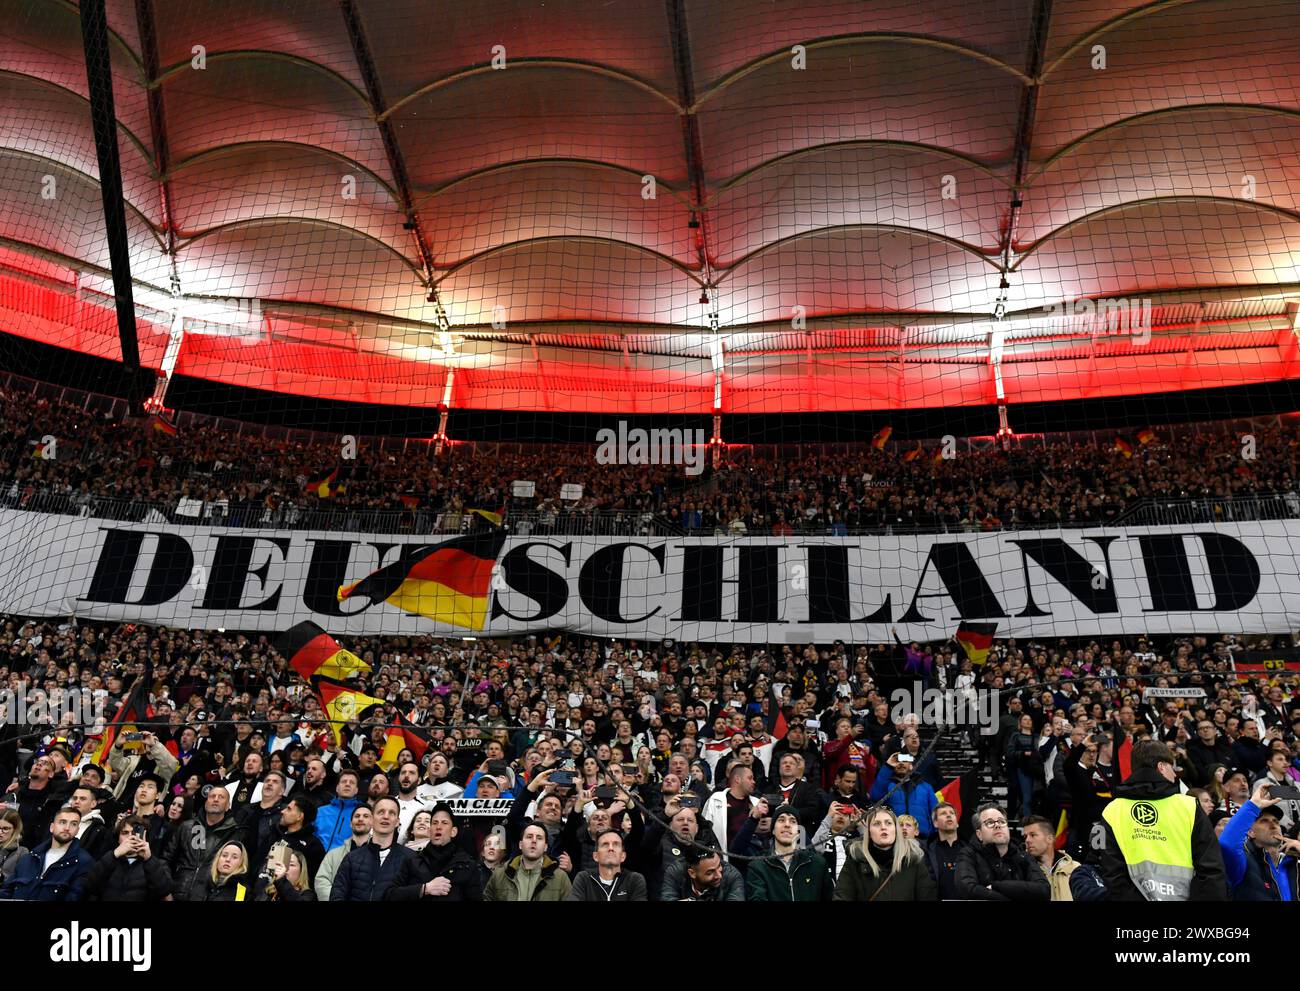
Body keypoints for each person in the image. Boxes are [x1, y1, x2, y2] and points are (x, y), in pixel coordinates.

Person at [1100, 740, 1227, 901]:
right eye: (1172, 767)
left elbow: (1109, 871)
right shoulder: (1189, 807)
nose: (1175, 774)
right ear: (1161, 767)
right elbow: (1211, 867)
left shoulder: (1112, 810)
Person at [833, 805, 937, 901]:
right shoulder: (855, 862)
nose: (883, 827)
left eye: (889, 823)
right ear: (868, 832)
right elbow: (842, 897)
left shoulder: (913, 861)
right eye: (877, 824)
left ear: (896, 830)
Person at [1217, 781, 1299, 901]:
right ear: (1251, 832)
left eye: (1276, 821)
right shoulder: (1244, 862)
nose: (1273, 825)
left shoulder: (1293, 861)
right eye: (1264, 821)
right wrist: (1253, 805)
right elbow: (1227, 844)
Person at [384, 802, 482, 901]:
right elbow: (390, 895)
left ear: (453, 832)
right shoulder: (412, 861)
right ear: (429, 831)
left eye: (444, 823)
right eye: (435, 823)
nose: (438, 827)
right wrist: (424, 889)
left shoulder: (467, 865)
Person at [165, 784, 245, 901]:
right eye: (212, 796)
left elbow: (236, 874)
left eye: (221, 797)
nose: (216, 799)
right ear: (206, 802)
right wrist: (166, 890)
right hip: (174, 894)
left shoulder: (234, 834)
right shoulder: (186, 827)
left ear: (228, 806)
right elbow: (167, 859)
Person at [955, 803, 1050, 901]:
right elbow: (968, 890)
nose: (997, 825)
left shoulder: (1023, 856)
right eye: (990, 822)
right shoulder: (968, 854)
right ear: (979, 834)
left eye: (1001, 821)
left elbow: (1044, 890)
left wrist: (997, 886)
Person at [0, 805, 96, 901]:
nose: (67, 828)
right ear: (52, 827)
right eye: (63, 822)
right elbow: (7, 891)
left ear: (77, 831)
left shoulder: (83, 862)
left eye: (73, 824)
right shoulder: (29, 858)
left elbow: (76, 896)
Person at [745, 805, 832, 901]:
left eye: (793, 821)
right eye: (781, 820)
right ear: (773, 830)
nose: (787, 825)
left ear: (799, 832)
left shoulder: (818, 864)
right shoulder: (758, 866)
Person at [80, 815, 175, 902]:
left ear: (145, 837)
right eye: (125, 833)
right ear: (118, 838)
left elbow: (164, 891)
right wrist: (114, 855)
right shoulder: (109, 858)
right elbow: (89, 885)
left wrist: (149, 859)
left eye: (135, 832)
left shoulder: (156, 863)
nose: (130, 837)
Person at [1021, 815, 1106, 901]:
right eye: (1025, 837)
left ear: (1050, 838)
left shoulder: (1076, 868)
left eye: (1033, 835)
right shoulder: (1023, 871)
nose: (1027, 840)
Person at [483, 822, 573, 901]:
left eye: (539, 838)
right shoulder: (500, 874)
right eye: (529, 837)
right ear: (520, 845)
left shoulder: (561, 878)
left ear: (546, 847)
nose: (534, 841)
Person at [566, 828, 648, 901]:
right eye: (605, 844)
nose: (611, 848)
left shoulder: (634, 879)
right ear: (596, 856)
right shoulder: (583, 878)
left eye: (616, 844)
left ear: (623, 856)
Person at [869, 752, 938, 837]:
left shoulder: (926, 787)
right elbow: (875, 797)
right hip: (894, 836)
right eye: (897, 760)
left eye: (904, 760)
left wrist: (935, 834)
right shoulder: (885, 785)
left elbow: (935, 812)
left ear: (911, 765)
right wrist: (888, 766)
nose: (901, 763)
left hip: (922, 837)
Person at [316, 804, 372, 900]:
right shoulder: (333, 854)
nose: (360, 819)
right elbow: (321, 881)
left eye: (366, 816)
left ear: (373, 823)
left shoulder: (380, 854)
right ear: (350, 823)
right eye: (357, 816)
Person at [662, 844, 745, 901]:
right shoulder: (675, 872)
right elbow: (667, 898)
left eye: (719, 866)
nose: (719, 875)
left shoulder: (731, 876)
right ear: (692, 873)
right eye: (710, 872)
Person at [272, 794, 326, 878]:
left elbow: (309, 879)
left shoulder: (312, 846)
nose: (282, 811)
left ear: (299, 816)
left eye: (289, 809)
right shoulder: (275, 832)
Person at [314, 768, 362, 852]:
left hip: (343, 862)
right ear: (337, 788)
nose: (347, 784)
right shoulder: (320, 811)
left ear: (356, 790)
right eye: (344, 781)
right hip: (315, 859)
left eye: (352, 782)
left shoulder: (360, 815)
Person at [924, 803, 964, 900]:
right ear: (935, 823)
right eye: (943, 813)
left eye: (952, 813)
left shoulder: (969, 850)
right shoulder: (926, 852)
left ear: (957, 823)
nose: (949, 815)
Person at [0, 809, 27, 886]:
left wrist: (2, 877)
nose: (0, 832)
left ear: (15, 830)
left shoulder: (22, 852)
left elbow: (20, 882)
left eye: (5, 829)